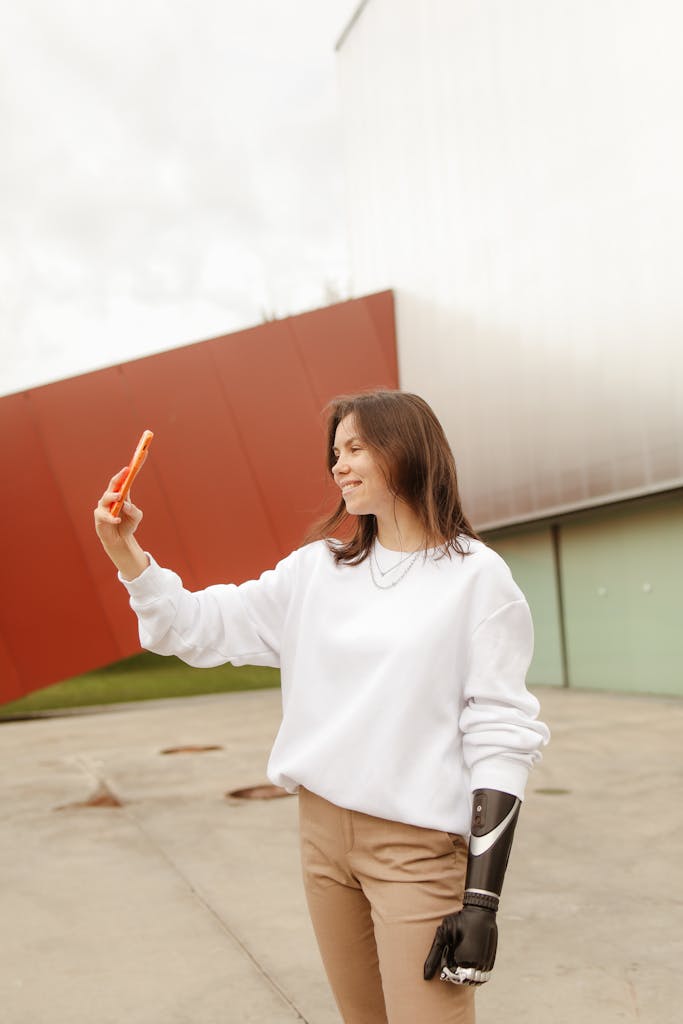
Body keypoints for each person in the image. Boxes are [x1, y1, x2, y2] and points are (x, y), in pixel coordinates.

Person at [94, 389, 549, 1024]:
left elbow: (501, 734)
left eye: (356, 448)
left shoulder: (479, 578)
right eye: (335, 453)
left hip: (415, 849)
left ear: (409, 451)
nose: (338, 465)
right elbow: (194, 626)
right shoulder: (317, 571)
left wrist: (481, 901)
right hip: (322, 839)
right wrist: (127, 554)